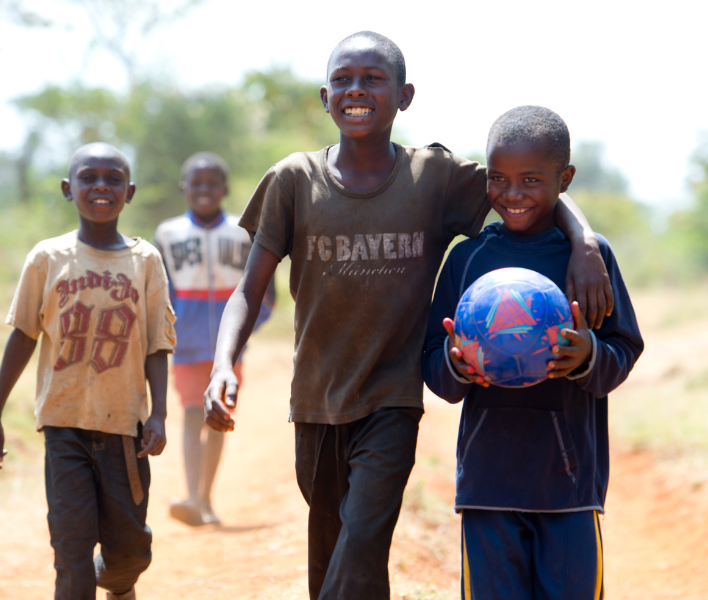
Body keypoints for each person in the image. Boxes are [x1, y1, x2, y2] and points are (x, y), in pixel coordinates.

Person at [204, 32, 613, 600]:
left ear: (405, 95)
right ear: (325, 97)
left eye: (373, 79)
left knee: (364, 535)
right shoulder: (293, 180)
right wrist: (225, 363)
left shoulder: (434, 178)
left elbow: (528, 182)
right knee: (339, 555)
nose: (356, 90)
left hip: (393, 400)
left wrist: (585, 242)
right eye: (343, 80)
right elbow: (248, 290)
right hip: (317, 400)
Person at [422, 106, 644, 599]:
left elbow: (625, 348)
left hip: (568, 486)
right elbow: (433, 355)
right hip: (487, 484)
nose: (512, 194)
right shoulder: (467, 257)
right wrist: (454, 366)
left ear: (564, 179)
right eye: (498, 178)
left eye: (530, 180)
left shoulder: (588, 259)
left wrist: (588, 355)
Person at [0, 143, 176, 600]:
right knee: (71, 553)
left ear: (129, 191)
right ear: (69, 189)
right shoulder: (47, 258)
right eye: (89, 177)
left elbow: (157, 343)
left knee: (129, 552)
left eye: (113, 179)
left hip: (125, 428)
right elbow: (24, 335)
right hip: (64, 425)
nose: (101, 186)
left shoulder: (145, 261)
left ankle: (119, 584)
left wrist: (160, 413)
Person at [153, 152, 275, 526]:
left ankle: (205, 498)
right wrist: (168, 329)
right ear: (184, 189)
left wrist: (243, 332)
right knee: (192, 414)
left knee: (218, 418)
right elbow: (158, 290)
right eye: (197, 183)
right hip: (186, 347)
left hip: (229, 350)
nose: (204, 190)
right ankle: (193, 496)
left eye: (212, 184)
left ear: (224, 189)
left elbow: (267, 293)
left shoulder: (243, 231)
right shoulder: (168, 234)